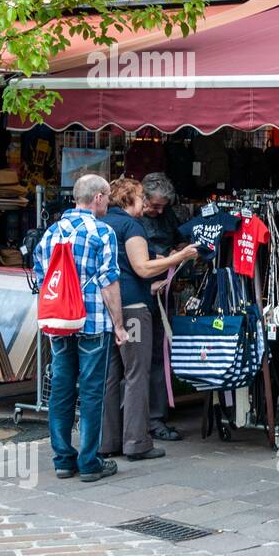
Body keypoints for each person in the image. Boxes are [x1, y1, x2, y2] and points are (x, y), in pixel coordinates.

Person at [31, 174, 126, 483]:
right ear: (97, 197)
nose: (109, 202)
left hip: (59, 321)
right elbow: (108, 282)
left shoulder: (51, 232)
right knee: (91, 390)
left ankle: (62, 459)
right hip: (92, 320)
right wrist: (120, 324)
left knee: (60, 388)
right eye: (108, 197)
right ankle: (88, 462)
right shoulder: (102, 231)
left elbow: (41, 276)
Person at [100, 178, 198, 461]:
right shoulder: (132, 226)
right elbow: (142, 267)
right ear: (129, 199)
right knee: (136, 374)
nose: (144, 204)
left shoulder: (105, 223)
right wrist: (178, 257)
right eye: (142, 198)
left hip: (107, 307)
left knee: (110, 376)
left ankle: (107, 442)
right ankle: (136, 441)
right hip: (132, 307)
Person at [139, 172, 186, 440]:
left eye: (162, 207)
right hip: (140, 290)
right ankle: (138, 417)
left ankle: (156, 418)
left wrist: (177, 253)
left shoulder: (166, 215)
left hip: (162, 289)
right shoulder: (132, 219)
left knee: (159, 354)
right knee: (137, 360)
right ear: (142, 198)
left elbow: (178, 238)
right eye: (155, 205)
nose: (158, 211)